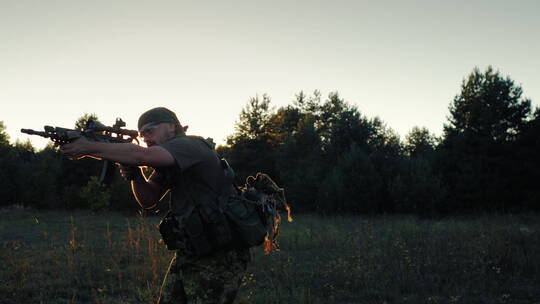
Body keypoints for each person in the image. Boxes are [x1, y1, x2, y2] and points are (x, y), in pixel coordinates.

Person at [61, 107, 250, 304]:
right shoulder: (169, 159)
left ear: (171, 127)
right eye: (142, 135)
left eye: (149, 131)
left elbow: (141, 156)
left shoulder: (188, 145)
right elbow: (148, 199)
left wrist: (89, 147)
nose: (146, 139)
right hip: (192, 251)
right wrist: (136, 176)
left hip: (221, 255)